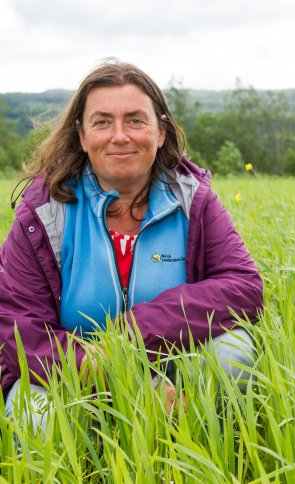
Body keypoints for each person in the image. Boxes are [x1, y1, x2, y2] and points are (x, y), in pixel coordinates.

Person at [0, 61, 264, 431]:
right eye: (103, 121)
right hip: (72, 374)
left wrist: (134, 334)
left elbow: (243, 285)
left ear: (160, 132)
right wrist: (118, 378)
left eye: (136, 121)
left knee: (232, 353)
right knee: (35, 414)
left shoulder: (194, 200)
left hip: (173, 368)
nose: (120, 135)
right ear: (82, 136)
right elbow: (15, 329)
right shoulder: (43, 213)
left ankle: (207, 448)